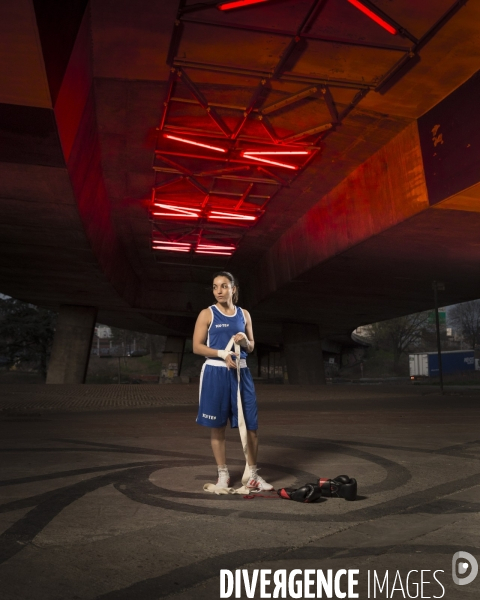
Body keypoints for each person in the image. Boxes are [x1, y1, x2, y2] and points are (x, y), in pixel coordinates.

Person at [193, 271, 273, 491]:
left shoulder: (244, 314)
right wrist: (222, 354)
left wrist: (246, 340)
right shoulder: (206, 314)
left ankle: (253, 475)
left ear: (233, 289)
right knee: (218, 427)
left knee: (251, 427)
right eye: (215, 286)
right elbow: (197, 347)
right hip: (216, 374)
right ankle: (223, 475)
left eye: (224, 286)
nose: (219, 291)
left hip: (241, 374)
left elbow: (252, 345)